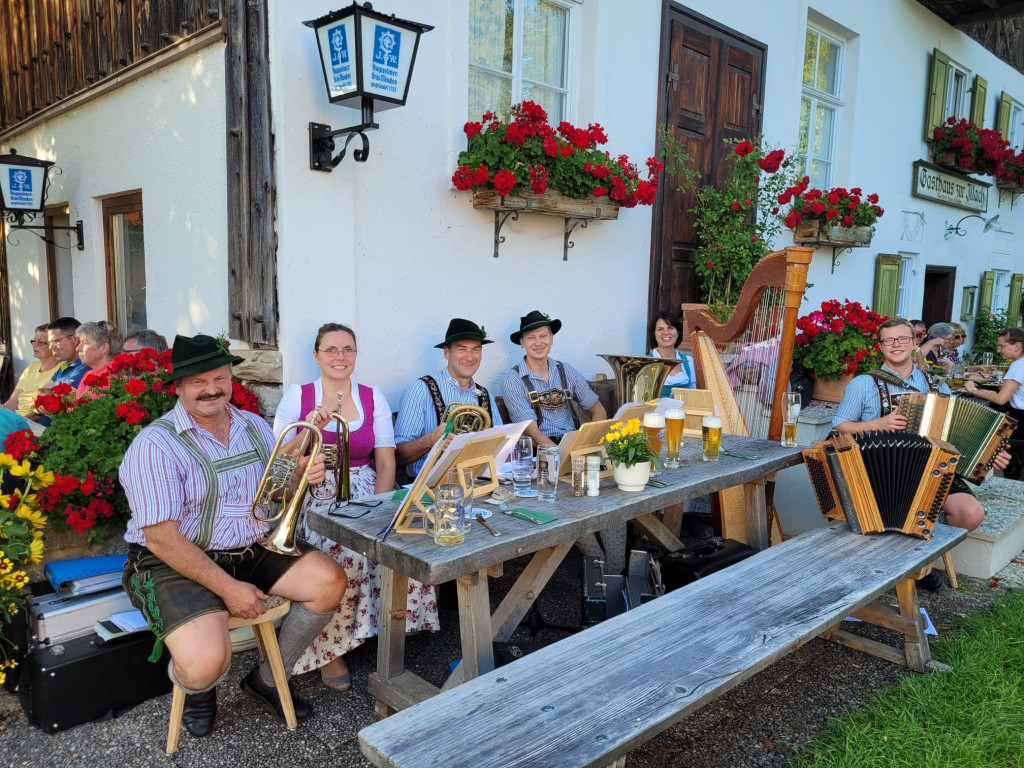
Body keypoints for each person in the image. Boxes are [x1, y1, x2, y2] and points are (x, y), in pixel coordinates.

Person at [119, 334, 346, 740]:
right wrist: (229, 589)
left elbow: (276, 491)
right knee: (206, 663)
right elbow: (163, 540)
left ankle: (267, 679)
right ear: (178, 387)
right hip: (173, 560)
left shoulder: (253, 426)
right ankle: (198, 688)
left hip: (250, 546)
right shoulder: (155, 445)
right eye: (197, 382)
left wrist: (301, 475)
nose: (210, 389)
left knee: (328, 581)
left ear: (229, 378)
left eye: (218, 378)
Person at [273, 323, 438, 692]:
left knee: (396, 542)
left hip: (365, 488)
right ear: (316, 356)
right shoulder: (297, 396)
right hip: (313, 492)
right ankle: (330, 650)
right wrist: (312, 425)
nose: (340, 357)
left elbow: (386, 462)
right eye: (331, 350)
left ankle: (372, 626)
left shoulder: (371, 395)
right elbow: (280, 459)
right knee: (335, 552)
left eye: (348, 349)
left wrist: (379, 510)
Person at [832, 317, 1009, 590]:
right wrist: (877, 424)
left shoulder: (937, 385)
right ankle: (898, 565)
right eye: (888, 340)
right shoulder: (863, 384)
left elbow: (959, 430)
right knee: (873, 517)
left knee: (970, 514)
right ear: (880, 347)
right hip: (878, 471)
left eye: (903, 338)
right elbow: (839, 427)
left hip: (933, 468)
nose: (896, 345)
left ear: (915, 343)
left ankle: (921, 562)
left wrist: (990, 453)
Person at [394, 318, 504, 477]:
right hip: (428, 489)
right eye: (462, 349)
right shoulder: (419, 389)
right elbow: (397, 455)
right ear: (446, 352)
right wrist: (431, 439)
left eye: (476, 349)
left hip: (477, 483)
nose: (470, 356)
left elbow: (500, 445)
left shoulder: (485, 395)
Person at [502, 311, 606, 446]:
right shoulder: (513, 381)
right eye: (531, 338)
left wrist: (589, 443)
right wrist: (560, 456)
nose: (538, 343)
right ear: (522, 343)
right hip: (540, 451)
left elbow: (598, 409)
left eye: (543, 336)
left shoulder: (566, 371)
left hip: (572, 443)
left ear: (551, 338)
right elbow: (532, 433)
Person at [964, 327, 1024, 480]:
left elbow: (1000, 399)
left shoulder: (1018, 365)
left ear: (1017, 346)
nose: (999, 350)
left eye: (1002, 346)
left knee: (1014, 467)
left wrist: (973, 390)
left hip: (1021, 421)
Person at [37, 317, 87, 426]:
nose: (51, 347)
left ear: (75, 339)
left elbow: (59, 403)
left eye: (56, 341)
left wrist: (44, 399)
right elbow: (39, 393)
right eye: (50, 342)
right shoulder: (65, 366)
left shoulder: (84, 367)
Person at [3, 324, 60, 418]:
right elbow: (13, 401)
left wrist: (18, 423)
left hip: (31, 422)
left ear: (53, 345)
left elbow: (38, 412)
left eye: (41, 342)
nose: (34, 345)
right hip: (17, 417)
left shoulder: (61, 369)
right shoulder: (33, 366)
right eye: (34, 341)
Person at [647, 311, 696, 396]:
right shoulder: (646, 363)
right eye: (660, 329)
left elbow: (694, 393)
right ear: (654, 335)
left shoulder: (689, 361)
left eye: (670, 328)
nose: (666, 332)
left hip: (684, 409)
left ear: (677, 333)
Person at [76, 321, 124, 398]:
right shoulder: (88, 375)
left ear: (104, 348)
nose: (78, 348)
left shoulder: (115, 375)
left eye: (84, 343)